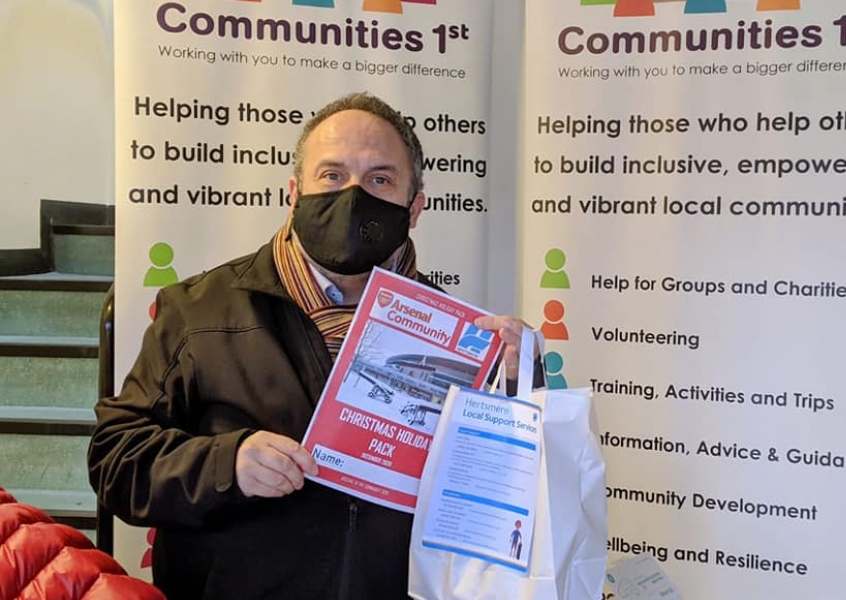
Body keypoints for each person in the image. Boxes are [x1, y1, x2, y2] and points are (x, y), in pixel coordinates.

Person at [87, 92, 536, 600]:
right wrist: (225, 464)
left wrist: (518, 397)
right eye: (332, 176)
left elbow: (497, 500)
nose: (352, 196)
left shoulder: (459, 343)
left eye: (379, 180)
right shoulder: (200, 311)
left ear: (415, 208)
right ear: (294, 193)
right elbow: (115, 459)